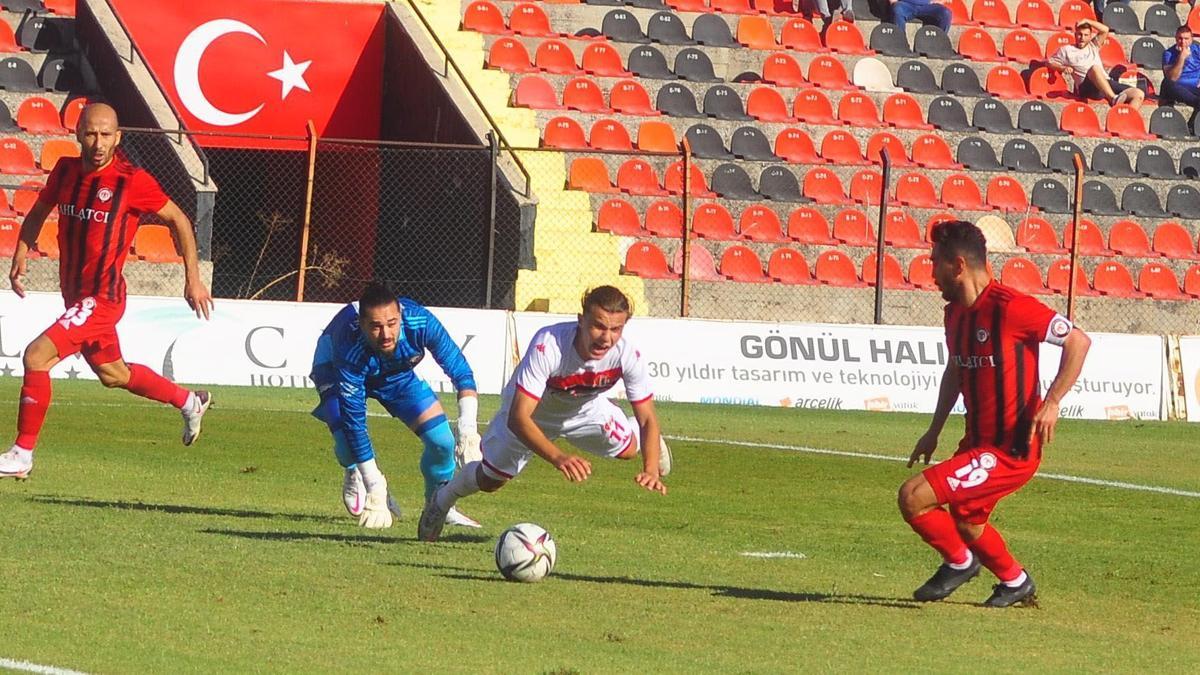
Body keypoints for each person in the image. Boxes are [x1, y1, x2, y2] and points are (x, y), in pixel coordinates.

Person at [2, 103, 214, 479]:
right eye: (90, 133)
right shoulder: (66, 171)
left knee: (36, 357)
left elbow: (179, 218)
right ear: (78, 133)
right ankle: (189, 401)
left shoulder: (132, 180)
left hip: (102, 298)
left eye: (106, 135)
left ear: (118, 138)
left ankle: (22, 453)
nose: (98, 143)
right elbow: (38, 210)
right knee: (114, 374)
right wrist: (21, 253)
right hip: (76, 296)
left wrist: (193, 279)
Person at [898, 220, 1090, 608]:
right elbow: (956, 369)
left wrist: (1052, 401)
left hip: (1011, 448)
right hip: (978, 442)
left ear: (957, 266)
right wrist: (934, 429)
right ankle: (1015, 581)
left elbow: (1078, 341)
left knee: (914, 497)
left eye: (934, 262)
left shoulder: (1012, 308)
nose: (929, 272)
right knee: (967, 521)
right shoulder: (955, 314)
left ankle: (960, 563)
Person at [417, 285, 671, 542]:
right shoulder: (549, 345)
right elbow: (519, 417)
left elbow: (648, 417)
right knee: (491, 480)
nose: (606, 338)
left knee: (629, 450)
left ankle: (645, 440)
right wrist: (558, 457)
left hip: (585, 412)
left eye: (616, 329)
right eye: (599, 326)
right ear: (581, 321)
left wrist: (651, 469)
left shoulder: (627, 354)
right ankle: (442, 500)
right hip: (531, 415)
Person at [311, 282, 482, 530]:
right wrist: (375, 485)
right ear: (361, 325)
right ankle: (353, 471)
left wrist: (467, 429)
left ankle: (439, 506)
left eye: (392, 324)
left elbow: (461, 372)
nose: (386, 334)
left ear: (401, 315)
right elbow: (355, 422)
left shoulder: (420, 322)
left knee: (443, 442)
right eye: (376, 327)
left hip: (395, 375)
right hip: (333, 370)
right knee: (347, 443)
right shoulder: (349, 348)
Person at [1048, 19, 1145, 108]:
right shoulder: (1067, 50)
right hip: (1086, 86)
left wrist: (1087, 21)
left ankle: (1125, 122)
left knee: (1138, 94)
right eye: (1079, 34)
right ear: (1075, 34)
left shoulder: (1093, 45)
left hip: (1105, 82)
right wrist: (1062, 68)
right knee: (1094, 68)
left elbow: (1105, 29)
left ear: (1090, 36)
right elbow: (1050, 62)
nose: (1082, 38)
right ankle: (1113, 99)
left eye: (1086, 35)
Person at [1161, 25, 1200, 107]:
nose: (1183, 42)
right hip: (1179, 88)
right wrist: (1182, 57)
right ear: (1175, 38)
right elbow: (1172, 78)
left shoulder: (1197, 50)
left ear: (1191, 39)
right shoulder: (1168, 54)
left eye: (1186, 39)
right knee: (1166, 83)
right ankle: (1196, 102)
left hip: (1196, 86)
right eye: (1180, 38)